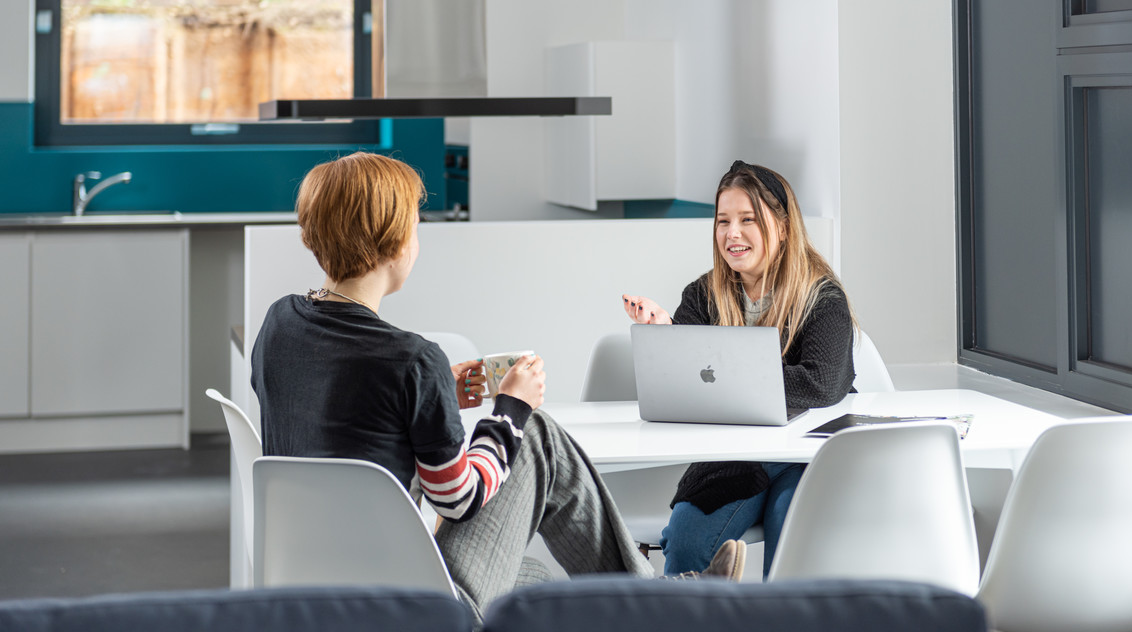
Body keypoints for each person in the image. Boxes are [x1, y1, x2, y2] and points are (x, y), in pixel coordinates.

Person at [251, 152, 744, 625]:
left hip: (311, 592)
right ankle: (663, 605)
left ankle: (650, 603)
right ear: (396, 242)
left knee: (535, 583)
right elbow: (457, 498)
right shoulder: (412, 360)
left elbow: (340, 423)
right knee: (536, 435)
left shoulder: (280, 323)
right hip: (415, 603)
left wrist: (437, 392)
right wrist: (511, 408)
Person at [622, 160, 855, 577]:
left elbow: (821, 383)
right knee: (686, 541)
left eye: (748, 219)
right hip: (730, 456)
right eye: (723, 221)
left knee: (792, 538)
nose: (732, 233)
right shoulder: (703, 294)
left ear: (783, 226)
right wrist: (667, 336)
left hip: (803, 453)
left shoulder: (822, 298)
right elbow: (684, 386)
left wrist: (724, 380)